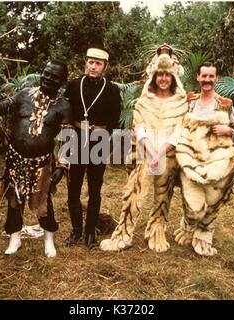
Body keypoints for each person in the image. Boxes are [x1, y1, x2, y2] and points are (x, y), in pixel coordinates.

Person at [0, 60, 72, 258]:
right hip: (15, 159)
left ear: (62, 81)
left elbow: (68, 138)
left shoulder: (63, 106)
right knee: (14, 199)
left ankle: (49, 240)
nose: (48, 78)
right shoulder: (25, 94)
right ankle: (14, 238)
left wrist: (62, 165)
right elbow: (2, 108)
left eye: (54, 77)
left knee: (43, 201)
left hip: (42, 162)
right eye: (46, 73)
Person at [100, 44, 188, 253]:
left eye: (167, 75)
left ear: (173, 77)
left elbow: (179, 131)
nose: (164, 78)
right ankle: (123, 233)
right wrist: (151, 151)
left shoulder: (181, 102)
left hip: (168, 153)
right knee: (133, 192)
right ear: (154, 76)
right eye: (160, 75)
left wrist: (161, 152)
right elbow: (139, 128)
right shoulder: (143, 100)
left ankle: (157, 231)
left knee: (164, 194)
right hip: (145, 153)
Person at [173, 61, 234, 256]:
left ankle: (204, 234)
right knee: (192, 202)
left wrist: (229, 130)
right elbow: (176, 124)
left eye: (211, 76)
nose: (207, 80)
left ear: (216, 78)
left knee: (212, 200)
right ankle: (188, 225)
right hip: (191, 159)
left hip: (216, 162)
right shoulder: (189, 100)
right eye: (204, 76)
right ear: (198, 77)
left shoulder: (225, 104)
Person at [63, 45, 121, 249]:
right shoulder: (73, 85)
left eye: (98, 63)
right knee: (73, 189)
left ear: (105, 66)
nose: (93, 67)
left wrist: (104, 132)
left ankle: (90, 234)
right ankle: (76, 231)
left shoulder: (112, 89)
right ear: (85, 63)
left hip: (99, 140)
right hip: (75, 137)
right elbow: (65, 111)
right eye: (90, 62)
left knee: (95, 189)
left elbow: (116, 119)